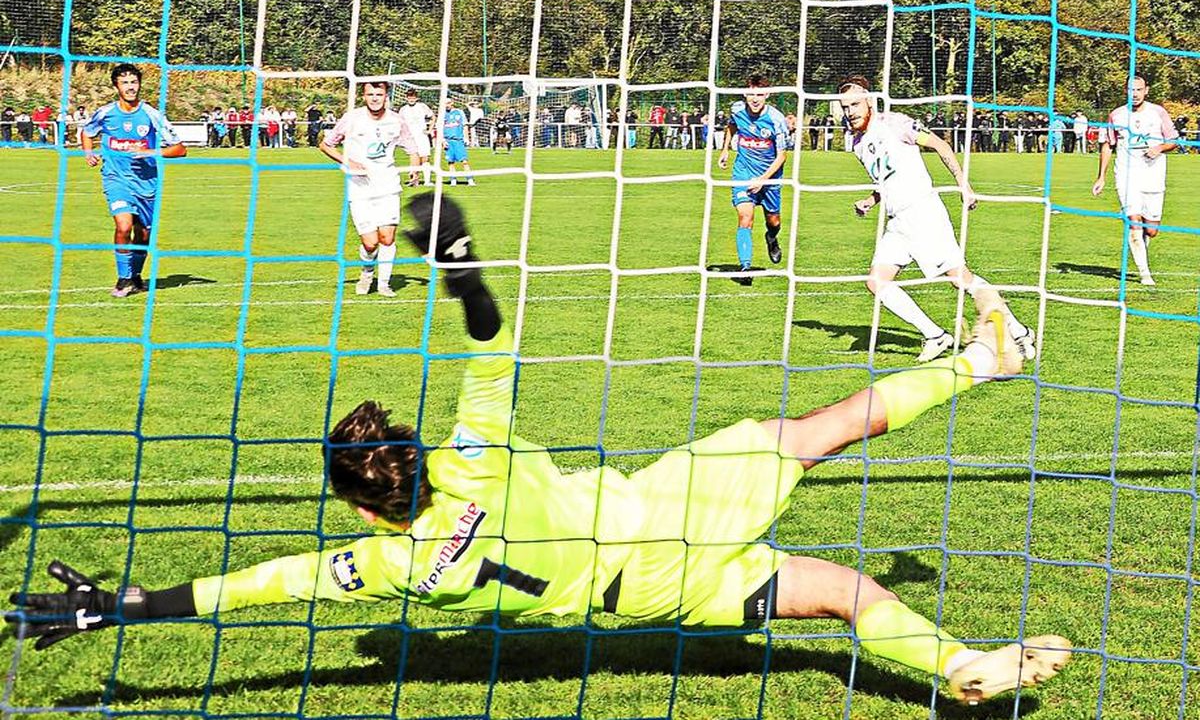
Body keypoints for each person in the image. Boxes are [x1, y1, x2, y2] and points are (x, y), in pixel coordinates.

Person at [6, 193, 1071, 707]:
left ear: (365, 508)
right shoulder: (473, 454)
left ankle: (958, 666)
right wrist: (461, 265)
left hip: (648, 597)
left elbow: (255, 588)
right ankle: (987, 362)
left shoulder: (386, 564)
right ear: (413, 456)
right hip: (668, 503)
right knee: (818, 431)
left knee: (833, 596)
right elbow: (496, 344)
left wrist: (124, 607)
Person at [838, 75, 1035, 363]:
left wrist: (963, 184)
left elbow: (941, 145)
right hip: (897, 223)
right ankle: (935, 335)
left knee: (960, 280)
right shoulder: (856, 142)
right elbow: (886, 179)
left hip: (923, 213)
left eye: (855, 104)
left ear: (869, 101)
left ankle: (1018, 331)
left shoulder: (895, 124)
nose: (850, 111)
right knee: (876, 282)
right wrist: (871, 200)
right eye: (845, 107)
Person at [81, 63, 187, 298]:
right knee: (123, 226)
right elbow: (87, 132)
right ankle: (123, 279)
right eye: (125, 83)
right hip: (116, 179)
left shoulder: (151, 114)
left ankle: (136, 277)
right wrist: (88, 153)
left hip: (146, 183)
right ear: (116, 86)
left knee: (143, 234)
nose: (130, 87)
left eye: (134, 82)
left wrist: (151, 152)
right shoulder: (106, 113)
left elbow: (180, 149)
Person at [318, 81, 417, 298]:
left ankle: (384, 284)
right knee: (370, 243)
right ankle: (367, 271)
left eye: (379, 94)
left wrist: (415, 167)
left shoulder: (396, 120)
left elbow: (412, 146)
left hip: (388, 185)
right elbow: (326, 145)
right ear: (363, 96)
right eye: (370, 94)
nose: (374, 98)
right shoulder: (352, 119)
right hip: (360, 187)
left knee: (387, 238)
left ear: (386, 96)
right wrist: (348, 161)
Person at [1090, 73, 1178, 287]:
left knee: (1152, 230)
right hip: (1127, 175)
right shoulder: (1116, 115)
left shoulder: (1158, 112)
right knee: (1133, 222)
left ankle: (1142, 250)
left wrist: (1159, 147)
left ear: (1146, 91)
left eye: (1139, 89)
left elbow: (1174, 140)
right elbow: (1108, 145)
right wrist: (1101, 176)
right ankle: (1144, 273)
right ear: (1126, 91)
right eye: (1131, 90)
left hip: (1154, 174)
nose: (1135, 94)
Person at [718, 75, 788, 286]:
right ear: (744, 93)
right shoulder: (737, 109)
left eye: (759, 94)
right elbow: (732, 126)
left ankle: (772, 238)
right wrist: (725, 149)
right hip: (743, 172)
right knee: (745, 218)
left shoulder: (776, 119)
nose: (755, 99)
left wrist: (763, 180)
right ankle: (745, 267)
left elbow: (782, 155)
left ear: (767, 95)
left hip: (769, 177)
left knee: (773, 222)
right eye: (751, 93)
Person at [398, 89, 434, 186]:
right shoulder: (403, 109)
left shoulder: (422, 107)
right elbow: (400, 123)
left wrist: (429, 130)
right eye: (409, 97)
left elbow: (433, 117)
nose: (411, 99)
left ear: (416, 98)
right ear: (406, 98)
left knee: (425, 158)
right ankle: (414, 180)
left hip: (421, 136)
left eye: (413, 97)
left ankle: (427, 181)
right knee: (414, 157)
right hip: (409, 137)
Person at [441, 99, 475, 186]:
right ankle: (453, 179)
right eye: (444, 104)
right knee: (450, 162)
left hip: (458, 140)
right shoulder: (442, 114)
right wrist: (443, 140)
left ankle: (470, 179)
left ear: (452, 103)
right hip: (448, 141)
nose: (446, 105)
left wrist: (466, 138)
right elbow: (440, 128)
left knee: (464, 161)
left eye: (448, 103)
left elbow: (465, 125)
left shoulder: (459, 112)